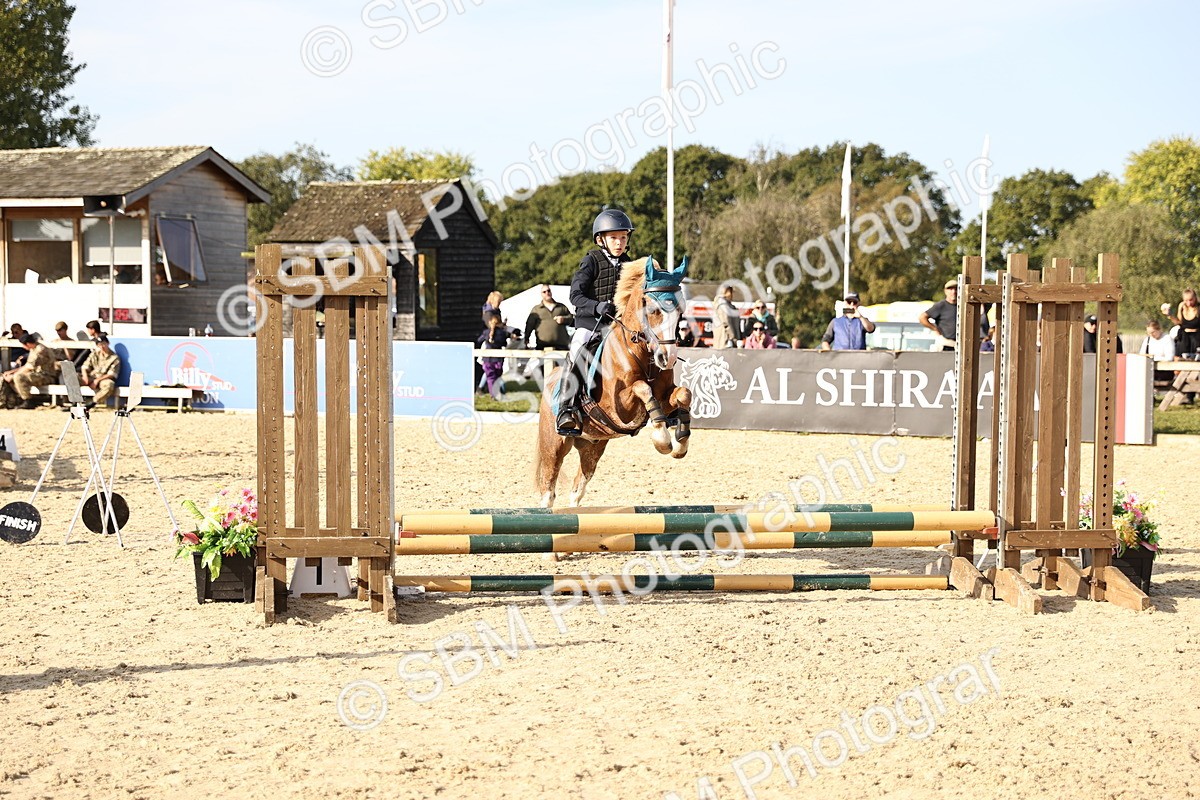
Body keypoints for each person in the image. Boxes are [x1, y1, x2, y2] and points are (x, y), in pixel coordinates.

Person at [556, 209, 635, 435]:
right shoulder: (591, 261)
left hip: (615, 326)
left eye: (623, 237)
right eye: (613, 238)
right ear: (601, 239)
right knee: (578, 348)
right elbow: (575, 296)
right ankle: (566, 409)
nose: (619, 242)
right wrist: (596, 306)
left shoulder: (629, 265)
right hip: (590, 323)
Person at [1, 334, 56, 409]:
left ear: (28, 344)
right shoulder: (34, 349)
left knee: (19, 377)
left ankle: (28, 400)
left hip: (46, 376)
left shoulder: (40, 350)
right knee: (12, 376)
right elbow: (27, 366)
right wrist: (11, 372)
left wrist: (13, 375)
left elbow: (29, 367)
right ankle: (12, 400)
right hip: (37, 374)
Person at [524, 285, 573, 350]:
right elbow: (529, 325)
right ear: (541, 294)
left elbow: (572, 319)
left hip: (561, 345)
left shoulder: (561, 307)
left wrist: (564, 319)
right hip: (542, 346)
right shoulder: (536, 309)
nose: (547, 293)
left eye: (548, 291)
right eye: (544, 292)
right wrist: (526, 339)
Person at [80, 335, 121, 409]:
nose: (102, 347)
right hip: (91, 377)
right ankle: (75, 402)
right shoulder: (95, 354)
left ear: (108, 343)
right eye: (99, 345)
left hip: (103, 379)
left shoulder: (114, 358)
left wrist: (97, 380)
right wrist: (85, 376)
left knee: (109, 385)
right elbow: (85, 366)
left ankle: (92, 402)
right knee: (74, 378)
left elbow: (112, 374)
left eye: (103, 344)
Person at [476, 312, 509, 398]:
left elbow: (479, 340)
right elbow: (504, 343)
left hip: (487, 359)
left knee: (490, 377)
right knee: (498, 377)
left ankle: (493, 394)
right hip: (498, 359)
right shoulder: (502, 333)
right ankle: (501, 391)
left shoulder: (486, 332)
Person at [919, 280, 959, 350]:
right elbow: (922, 318)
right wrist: (935, 329)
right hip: (946, 344)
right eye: (950, 289)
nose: (953, 292)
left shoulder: (963, 306)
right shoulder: (940, 306)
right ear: (945, 291)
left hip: (961, 345)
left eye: (956, 289)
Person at [1163, 288, 1200, 358]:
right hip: (1184, 337)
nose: (1189, 303)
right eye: (1186, 300)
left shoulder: (1198, 307)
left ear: (1195, 298)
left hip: (1197, 338)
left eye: (1191, 300)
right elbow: (1179, 322)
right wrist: (1169, 315)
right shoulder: (1182, 306)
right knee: (1179, 357)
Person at [711, 285, 740, 350]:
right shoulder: (722, 304)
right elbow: (726, 322)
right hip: (725, 339)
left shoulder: (727, 304)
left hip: (727, 338)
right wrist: (732, 337)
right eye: (731, 292)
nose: (732, 295)